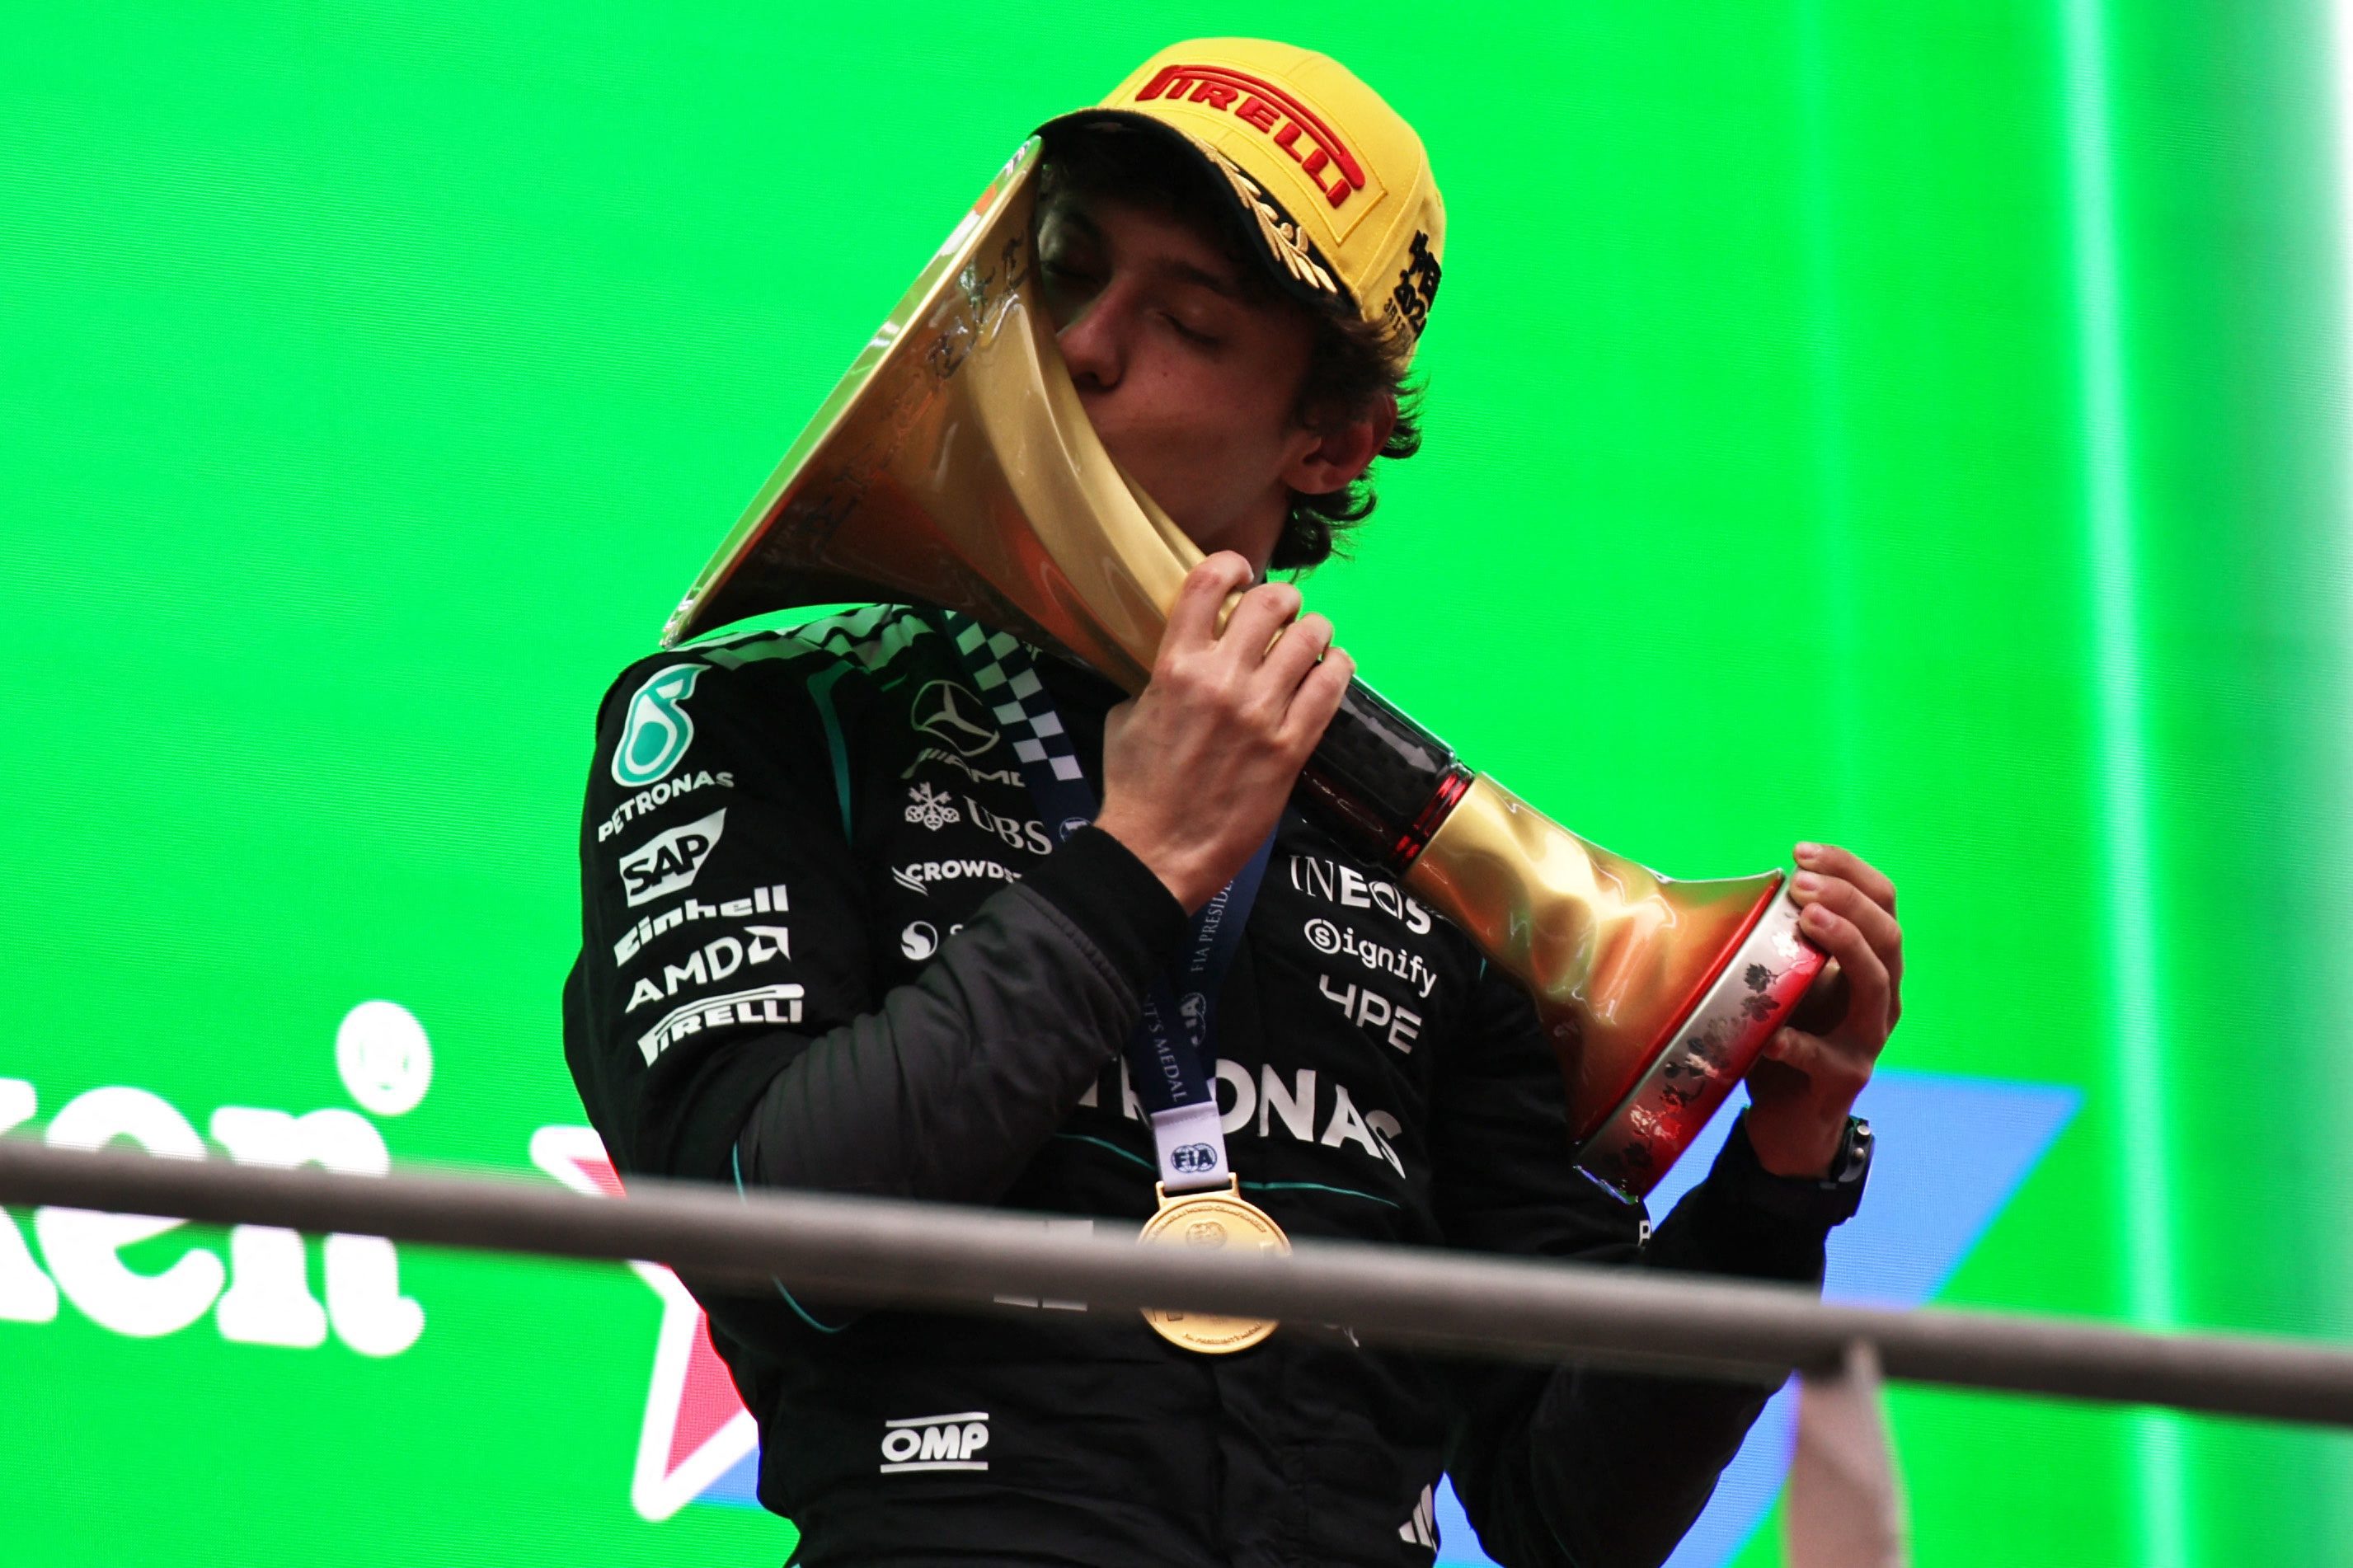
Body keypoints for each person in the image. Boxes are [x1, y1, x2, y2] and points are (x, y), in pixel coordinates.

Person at [563, 37, 1905, 1568]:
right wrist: (1136, 864)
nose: (1082, 344)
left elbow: (1568, 1512)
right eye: (1065, 269)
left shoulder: (1433, 870)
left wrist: (1777, 1179)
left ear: (1328, 441)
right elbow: (774, 1240)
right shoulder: (768, 715)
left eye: (1187, 321)